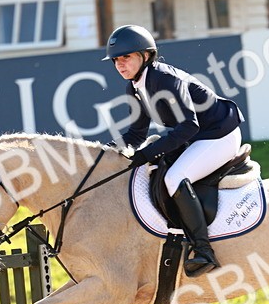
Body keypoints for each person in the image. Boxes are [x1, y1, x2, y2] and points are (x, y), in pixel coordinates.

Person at [104, 24, 243, 278]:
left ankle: (204, 251)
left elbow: (189, 126)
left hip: (219, 134)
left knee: (174, 177)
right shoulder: (134, 87)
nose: (119, 64)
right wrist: (108, 154)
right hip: (196, 136)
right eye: (115, 60)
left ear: (145, 56)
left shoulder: (165, 79)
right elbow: (136, 135)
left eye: (126, 57)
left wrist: (148, 153)